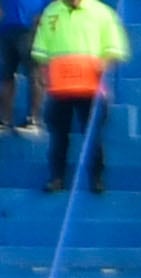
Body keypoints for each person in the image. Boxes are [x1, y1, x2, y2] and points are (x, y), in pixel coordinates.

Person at [27, 0, 113, 186]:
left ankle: (96, 178)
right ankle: (57, 177)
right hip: (60, 88)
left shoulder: (101, 12)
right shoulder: (51, 11)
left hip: (90, 88)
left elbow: (112, 46)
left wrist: (105, 63)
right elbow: (41, 49)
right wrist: (43, 72)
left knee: (92, 135)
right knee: (58, 136)